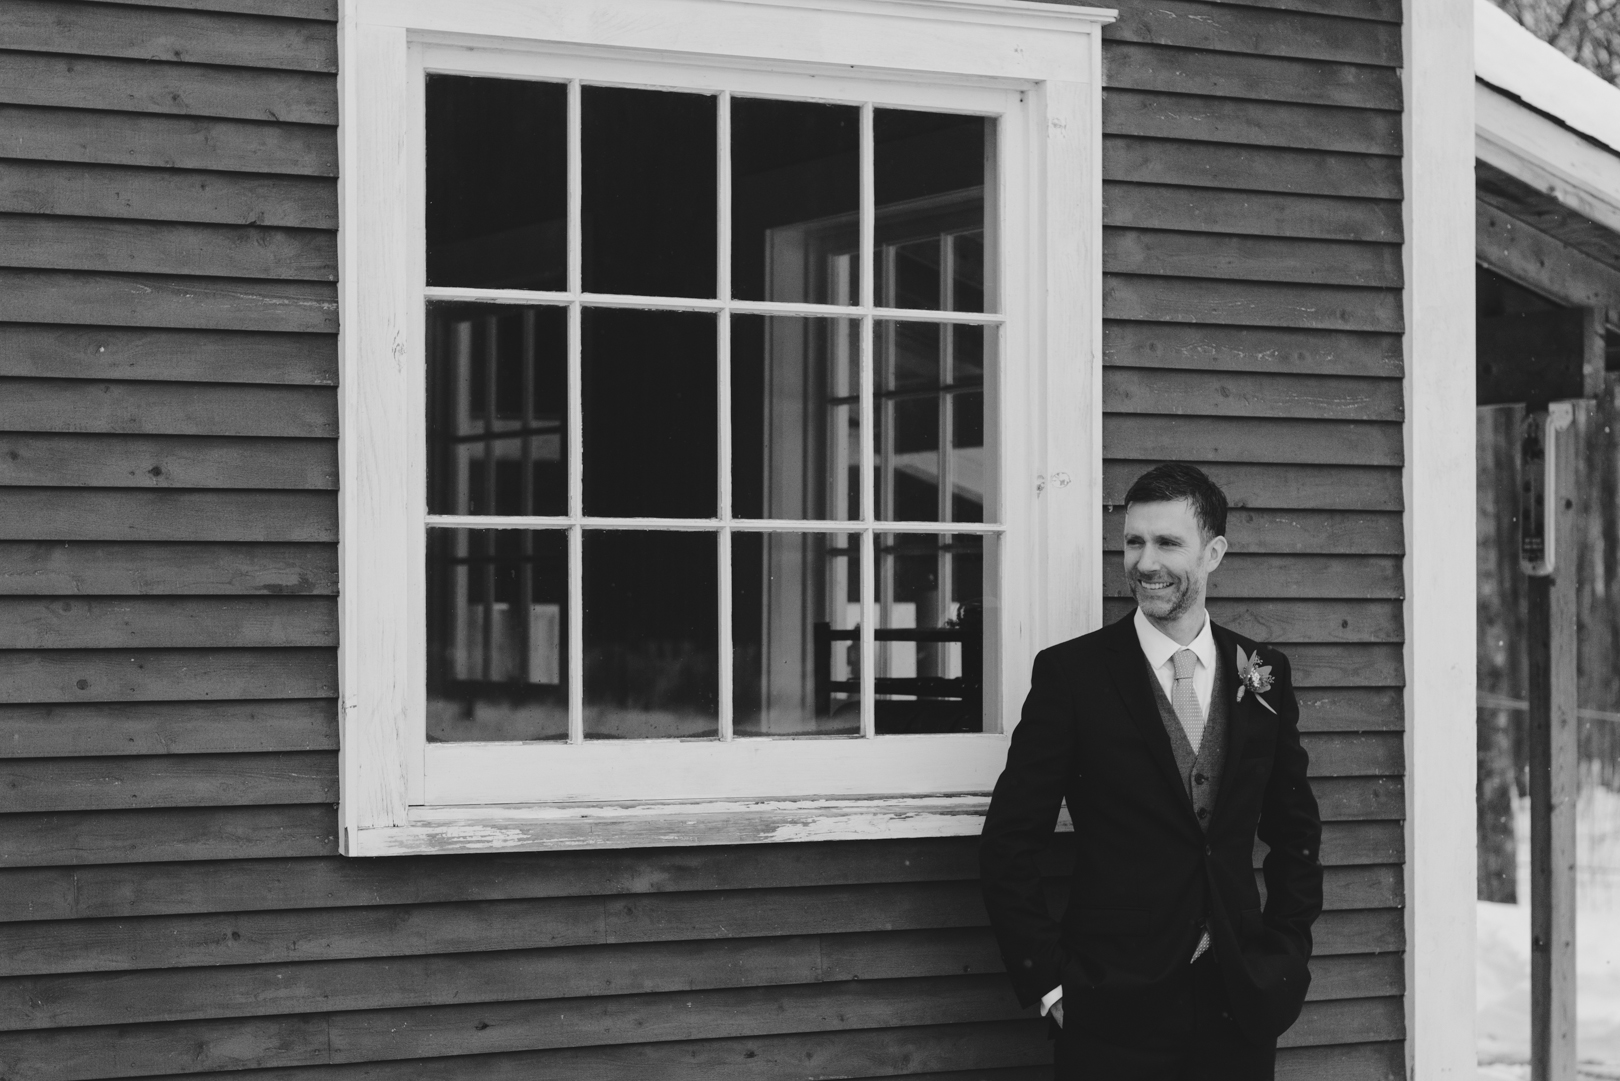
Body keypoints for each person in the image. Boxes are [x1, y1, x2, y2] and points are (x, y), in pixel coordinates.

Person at [979, 463, 1322, 1080]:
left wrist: (1285, 957)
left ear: (1214, 552)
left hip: (1238, 1006)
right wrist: (1054, 986)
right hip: (1110, 1006)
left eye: (1167, 543)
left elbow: (1296, 831)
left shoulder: (1263, 670)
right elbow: (1009, 841)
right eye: (1134, 541)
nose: (1144, 562)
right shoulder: (1073, 676)